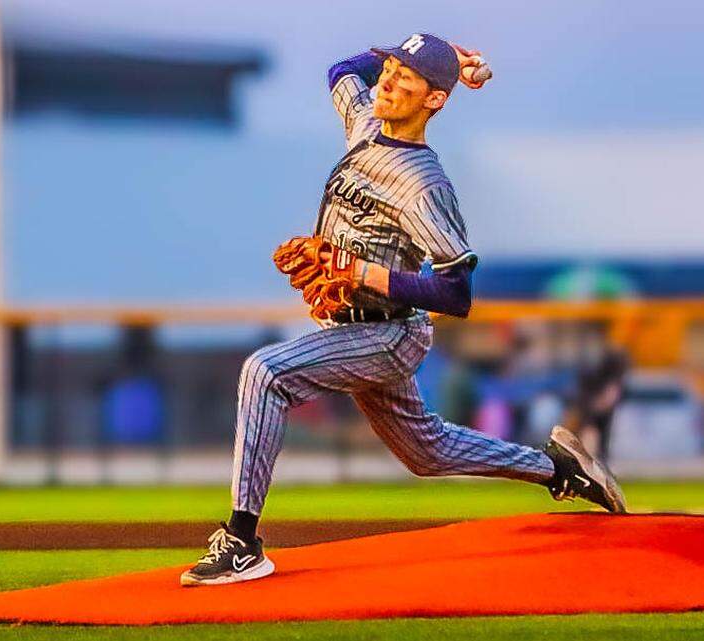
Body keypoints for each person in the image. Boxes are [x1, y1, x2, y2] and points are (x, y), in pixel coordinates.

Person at [180, 33, 626, 588]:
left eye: (404, 77)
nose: (387, 81)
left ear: (434, 100)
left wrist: (365, 273)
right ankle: (560, 469)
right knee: (426, 451)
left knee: (265, 373)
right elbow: (343, 69)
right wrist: (444, 55)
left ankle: (242, 543)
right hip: (347, 326)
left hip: (389, 334)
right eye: (388, 68)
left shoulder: (424, 185)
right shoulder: (365, 126)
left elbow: (457, 293)